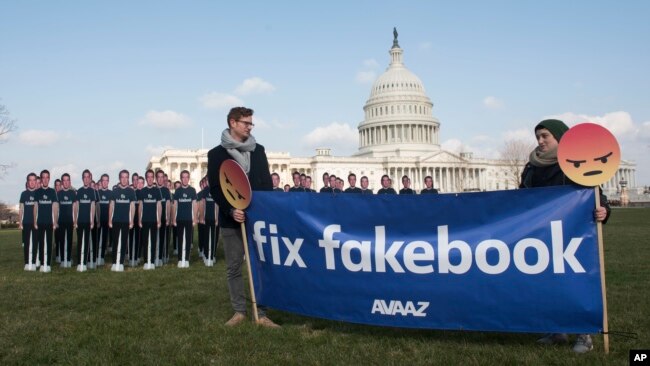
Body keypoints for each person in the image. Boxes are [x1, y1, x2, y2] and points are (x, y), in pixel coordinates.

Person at [520, 119, 610, 354]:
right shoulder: (531, 167)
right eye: (538, 136)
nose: (540, 141)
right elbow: (521, 199)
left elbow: (595, 194)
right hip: (541, 234)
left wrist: (604, 210)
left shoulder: (576, 162)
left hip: (573, 234)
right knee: (547, 282)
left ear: (560, 137)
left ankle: (584, 334)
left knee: (576, 282)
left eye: (545, 136)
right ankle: (556, 329)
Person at [207, 106, 280, 328]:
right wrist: (231, 210)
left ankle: (262, 312)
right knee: (234, 267)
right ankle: (239, 311)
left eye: (251, 123)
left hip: (256, 219)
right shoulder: (216, 154)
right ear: (233, 123)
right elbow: (216, 188)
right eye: (246, 123)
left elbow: (266, 185)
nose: (250, 126)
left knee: (259, 266)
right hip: (232, 219)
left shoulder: (259, 150)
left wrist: (260, 211)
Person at [109, 169, 136, 272]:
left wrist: (132, 220)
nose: (124, 179)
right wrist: (109, 220)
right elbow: (111, 205)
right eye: (122, 177)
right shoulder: (115, 191)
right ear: (119, 178)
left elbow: (133, 206)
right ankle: (114, 263)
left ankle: (121, 263)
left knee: (124, 242)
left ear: (128, 179)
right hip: (115, 220)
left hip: (126, 221)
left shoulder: (131, 191)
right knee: (115, 242)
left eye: (126, 177)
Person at [172, 170, 197, 268]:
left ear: (189, 178)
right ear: (181, 178)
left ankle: (186, 259)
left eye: (187, 177)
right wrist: (174, 219)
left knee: (187, 239)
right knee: (180, 239)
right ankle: (180, 259)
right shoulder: (178, 191)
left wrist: (195, 218)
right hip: (179, 219)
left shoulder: (192, 190)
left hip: (189, 219)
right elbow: (175, 205)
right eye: (183, 177)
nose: (185, 179)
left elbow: (195, 205)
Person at [35, 170, 58, 272]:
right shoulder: (37, 192)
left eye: (47, 177)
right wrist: (35, 221)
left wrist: (55, 221)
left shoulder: (52, 192)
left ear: (49, 178)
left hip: (49, 222)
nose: (45, 179)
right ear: (41, 179)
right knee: (41, 243)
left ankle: (47, 264)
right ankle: (41, 262)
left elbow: (55, 207)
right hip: (40, 222)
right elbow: (35, 207)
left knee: (48, 243)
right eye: (43, 177)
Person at [138, 169, 162, 270]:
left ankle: (151, 262)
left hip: (154, 221)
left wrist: (159, 220)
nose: (150, 179)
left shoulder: (157, 191)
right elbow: (140, 206)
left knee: (153, 241)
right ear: (146, 178)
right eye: (148, 177)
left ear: (154, 178)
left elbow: (159, 206)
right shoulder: (142, 191)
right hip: (144, 220)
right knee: (145, 241)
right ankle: (146, 262)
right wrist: (139, 219)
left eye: (152, 177)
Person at [75, 169, 97, 271]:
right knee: (80, 242)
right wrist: (75, 221)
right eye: (85, 177)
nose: (86, 179)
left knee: (87, 242)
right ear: (82, 178)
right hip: (80, 221)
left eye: (88, 177)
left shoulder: (92, 191)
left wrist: (92, 220)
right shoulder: (79, 191)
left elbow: (93, 206)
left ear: (90, 179)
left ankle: (86, 262)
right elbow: (76, 207)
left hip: (88, 222)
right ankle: (80, 263)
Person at [19, 173, 39, 271]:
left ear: (36, 181)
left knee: (35, 243)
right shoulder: (23, 194)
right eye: (30, 180)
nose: (32, 182)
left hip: (36, 223)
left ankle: (34, 263)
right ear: (27, 182)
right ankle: (27, 263)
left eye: (33, 180)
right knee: (27, 243)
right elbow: (21, 209)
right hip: (26, 222)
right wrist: (20, 222)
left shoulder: (39, 193)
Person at [57, 173, 76, 268]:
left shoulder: (73, 193)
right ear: (62, 182)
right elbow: (56, 209)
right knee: (61, 240)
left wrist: (75, 221)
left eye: (67, 180)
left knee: (69, 240)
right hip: (60, 221)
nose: (66, 182)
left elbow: (75, 208)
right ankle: (62, 259)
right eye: (64, 180)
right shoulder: (58, 194)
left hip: (70, 221)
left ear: (70, 182)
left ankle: (68, 259)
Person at [156, 170, 172, 265]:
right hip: (154, 219)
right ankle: (155, 256)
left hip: (163, 219)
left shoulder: (166, 191)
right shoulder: (154, 189)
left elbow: (168, 205)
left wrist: (168, 218)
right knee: (155, 239)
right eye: (159, 177)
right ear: (156, 178)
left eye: (162, 177)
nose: (161, 179)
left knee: (162, 238)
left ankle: (161, 257)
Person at [96, 174, 112, 266]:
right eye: (103, 180)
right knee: (98, 239)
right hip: (98, 220)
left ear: (108, 182)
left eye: (107, 180)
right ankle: (96, 256)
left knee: (104, 239)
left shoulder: (111, 193)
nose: (105, 182)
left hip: (107, 220)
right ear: (101, 182)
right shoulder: (97, 193)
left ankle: (101, 257)